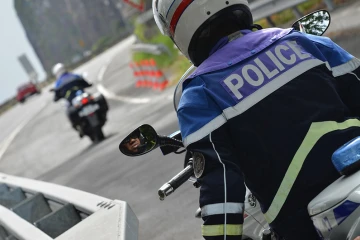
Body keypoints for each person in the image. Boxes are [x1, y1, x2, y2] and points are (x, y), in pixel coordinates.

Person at [153, 0, 360, 239]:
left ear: (177, 28)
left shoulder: (200, 94)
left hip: (300, 218)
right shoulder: (304, 41)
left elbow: (221, 188)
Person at [52, 63, 92, 137]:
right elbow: (85, 83)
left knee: (69, 112)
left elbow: (56, 96)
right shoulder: (74, 75)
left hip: (74, 102)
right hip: (82, 98)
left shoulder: (59, 83)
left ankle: (79, 127)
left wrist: (57, 97)